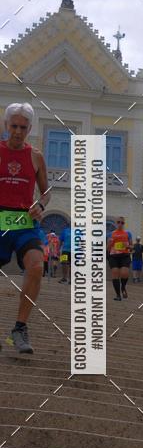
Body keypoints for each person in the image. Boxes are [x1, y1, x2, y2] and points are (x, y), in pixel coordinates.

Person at [0, 102, 50, 354]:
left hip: (24, 221)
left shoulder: (36, 156)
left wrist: (40, 204)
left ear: (29, 128)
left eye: (23, 127)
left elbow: (46, 191)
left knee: (36, 266)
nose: (18, 131)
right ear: (6, 125)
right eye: (14, 126)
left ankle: (19, 329)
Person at [107, 216, 132, 301]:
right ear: (116, 223)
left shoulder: (128, 233)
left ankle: (123, 287)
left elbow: (131, 246)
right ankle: (118, 295)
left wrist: (128, 246)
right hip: (114, 256)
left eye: (122, 222)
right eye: (118, 222)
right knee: (115, 273)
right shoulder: (111, 234)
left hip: (124, 255)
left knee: (124, 273)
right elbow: (108, 248)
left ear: (124, 224)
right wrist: (110, 244)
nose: (120, 224)